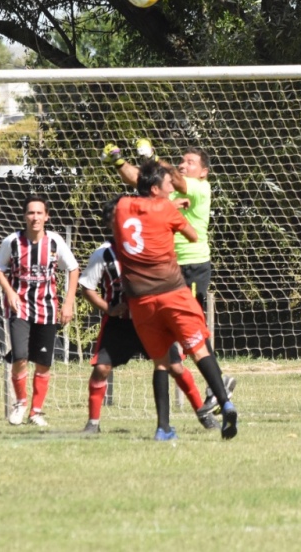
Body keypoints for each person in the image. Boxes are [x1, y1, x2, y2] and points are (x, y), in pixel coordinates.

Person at [102, 139, 235, 415]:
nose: (184, 166)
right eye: (182, 161)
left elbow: (173, 180)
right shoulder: (167, 190)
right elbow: (140, 180)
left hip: (192, 266)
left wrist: (154, 157)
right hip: (167, 273)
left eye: (191, 163)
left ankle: (217, 385)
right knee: (176, 336)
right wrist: (118, 162)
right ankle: (209, 389)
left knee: (194, 328)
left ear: (203, 172)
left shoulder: (198, 187)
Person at [79, 200, 218, 434]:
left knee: (176, 367)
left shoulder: (148, 248)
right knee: (102, 368)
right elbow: (86, 287)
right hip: (121, 325)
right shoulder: (103, 254)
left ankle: (203, 415)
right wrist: (108, 308)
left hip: (152, 319)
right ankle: (93, 423)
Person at [0, 195, 80, 427]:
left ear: (46, 216)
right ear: (24, 216)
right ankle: (20, 403)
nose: (35, 217)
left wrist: (68, 302)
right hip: (19, 308)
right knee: (20, 356)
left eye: (39, 213)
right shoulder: (11, 242)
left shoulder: (54, 242)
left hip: (47, 309)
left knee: (43, 362)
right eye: (31, 213)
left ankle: (36, 412)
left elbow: (73, 268)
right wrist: (10, 293)